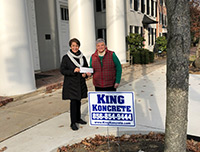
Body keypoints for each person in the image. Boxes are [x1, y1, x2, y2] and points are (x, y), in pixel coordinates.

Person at [60, 38, 89, 131]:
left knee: (79, 102)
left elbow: (86, 68)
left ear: (79, 46)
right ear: (70, 46)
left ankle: (78, 118)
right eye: (73, 45)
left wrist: (85, 74)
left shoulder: (82, 57)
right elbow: (62, 70)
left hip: (80, 83)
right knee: (73, 103)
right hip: (71, 84)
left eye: (76, 45)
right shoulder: (66, 57)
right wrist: (73, 71)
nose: (75, 47)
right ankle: (73, 122)